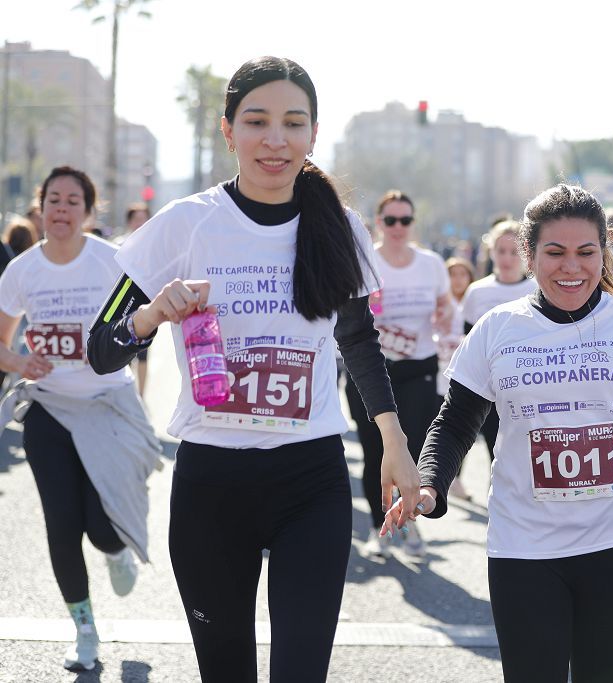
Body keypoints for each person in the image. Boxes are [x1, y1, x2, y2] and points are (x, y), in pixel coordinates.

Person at [86, 57, 420, 682]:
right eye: (257, 121)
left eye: (294, 123)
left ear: (313, 134)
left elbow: (358, 338)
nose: (276, 139)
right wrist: (152, 314)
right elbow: (101, 346)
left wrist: (393, 443)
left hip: (312, 483)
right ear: (228, 130)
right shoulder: (185, 224)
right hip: (213, 485)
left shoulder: (341, 227)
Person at [382, 184, 613, 682]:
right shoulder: (498, 328)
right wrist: (432, 482)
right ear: (529, 254)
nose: (572, 267)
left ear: (604, 254)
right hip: (525, 547)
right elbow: (456, 421)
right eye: (555, 252)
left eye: (587, 252)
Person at [0, 167, 161, 672]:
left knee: (101, 528)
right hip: (49, 409)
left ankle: (116, 550)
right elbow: (2, 343)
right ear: (41, 206)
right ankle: (85, 630)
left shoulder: (112, 262)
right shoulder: (21, 271)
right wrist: (20, 362)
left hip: (106, 408)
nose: (61, 209)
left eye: (73, 201)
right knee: (60, 525)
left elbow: (143, 325)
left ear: (88, 213)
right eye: (53, 199)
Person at [344, 189, 450, 560]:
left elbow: (446, 306)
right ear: (378, 223)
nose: (398, 227)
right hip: (372, 371)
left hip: (418, 368)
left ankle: (412, 527)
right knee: (376, 452)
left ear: (413, 223)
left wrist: (444, 316)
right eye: (391, 220)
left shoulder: (432, 264)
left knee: (415, 451)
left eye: (405, 220)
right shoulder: (365, 260)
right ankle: (378, 529)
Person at [460, 219, 537, 462]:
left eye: (514, 252)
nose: (507, 258)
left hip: (527, 385)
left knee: (523, 454)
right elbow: (467, 337)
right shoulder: (477, 291)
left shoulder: (537, 289)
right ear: (491, 252)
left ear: (525, 253)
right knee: (495, 452)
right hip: (487, 385)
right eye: (501, 251)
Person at [439, 256, 475, 500]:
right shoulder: (440, 303)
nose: (458, 279)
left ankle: (457, 478)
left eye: (463, 274)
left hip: (465, 377)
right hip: (438, 376)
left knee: (464, 431)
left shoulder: (474, 302)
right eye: (453, 274)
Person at [116, 203, 154, 396]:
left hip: (146, 306)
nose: (140, 223)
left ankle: (141, 396)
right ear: (129, 222)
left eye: (143, 219)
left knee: (144, 354)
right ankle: (129, 394)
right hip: (124, 306)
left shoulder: (153, 246)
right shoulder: (119, 245)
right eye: (136, 219)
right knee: (126, 353)